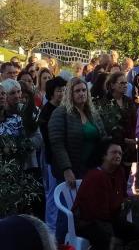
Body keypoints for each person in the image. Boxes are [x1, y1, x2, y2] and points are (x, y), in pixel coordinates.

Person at [72, 140, 139, 250]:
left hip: (109, 218)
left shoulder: (119, 172)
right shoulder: (95, 176)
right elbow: (94, 211)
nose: (118, 155)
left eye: (120, 153)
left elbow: (123, 195)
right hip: (88, 222)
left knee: (133, 231)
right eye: (114, 152)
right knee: (106, 240)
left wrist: (126, 203)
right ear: (104, 155)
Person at [48, 77, 106, 185]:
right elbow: (57, 144)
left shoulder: (92, 112)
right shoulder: (60, 113)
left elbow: (102, 136)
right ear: (70, 93)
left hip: (91, 167)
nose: (81, 93)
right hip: (72, 169)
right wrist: (67, 169)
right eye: (77, 91)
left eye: (84, 90)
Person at [38, 77, 67, 233]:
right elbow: (48, 139)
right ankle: (50, 228)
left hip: (63, 158)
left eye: (63, 90)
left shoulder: (64, 108)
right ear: (51, 93)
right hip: (52, 159)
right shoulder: (47, 111)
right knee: (52, 193)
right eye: (58, 91)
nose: (62, 93)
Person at [99, 72, 137, 179]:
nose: (125, 85)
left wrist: (133, 140)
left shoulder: (128, 101)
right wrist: (124, 140)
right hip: (113, 146)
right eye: (121, 83)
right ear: (112, 85)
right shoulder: (105, 103)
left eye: (126, 83)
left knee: (125, 176)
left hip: (129, 146)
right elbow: (106, 127)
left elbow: (134, 122)